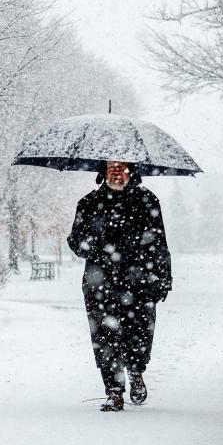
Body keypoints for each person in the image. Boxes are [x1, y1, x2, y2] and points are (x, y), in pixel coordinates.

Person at [67, 161, 172, 412]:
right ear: (102, 171)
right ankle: (114, 391)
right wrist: (95, 245)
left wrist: (163, 278)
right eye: (111, 166)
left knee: (138, 332)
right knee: (104, 336)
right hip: (100, 282)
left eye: (122, 166)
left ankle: (136, 371)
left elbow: (159, 243)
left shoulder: (147, 202)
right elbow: (75, 241)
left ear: (131, 171)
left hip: (140, 282)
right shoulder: (89, 204)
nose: (117, 171)